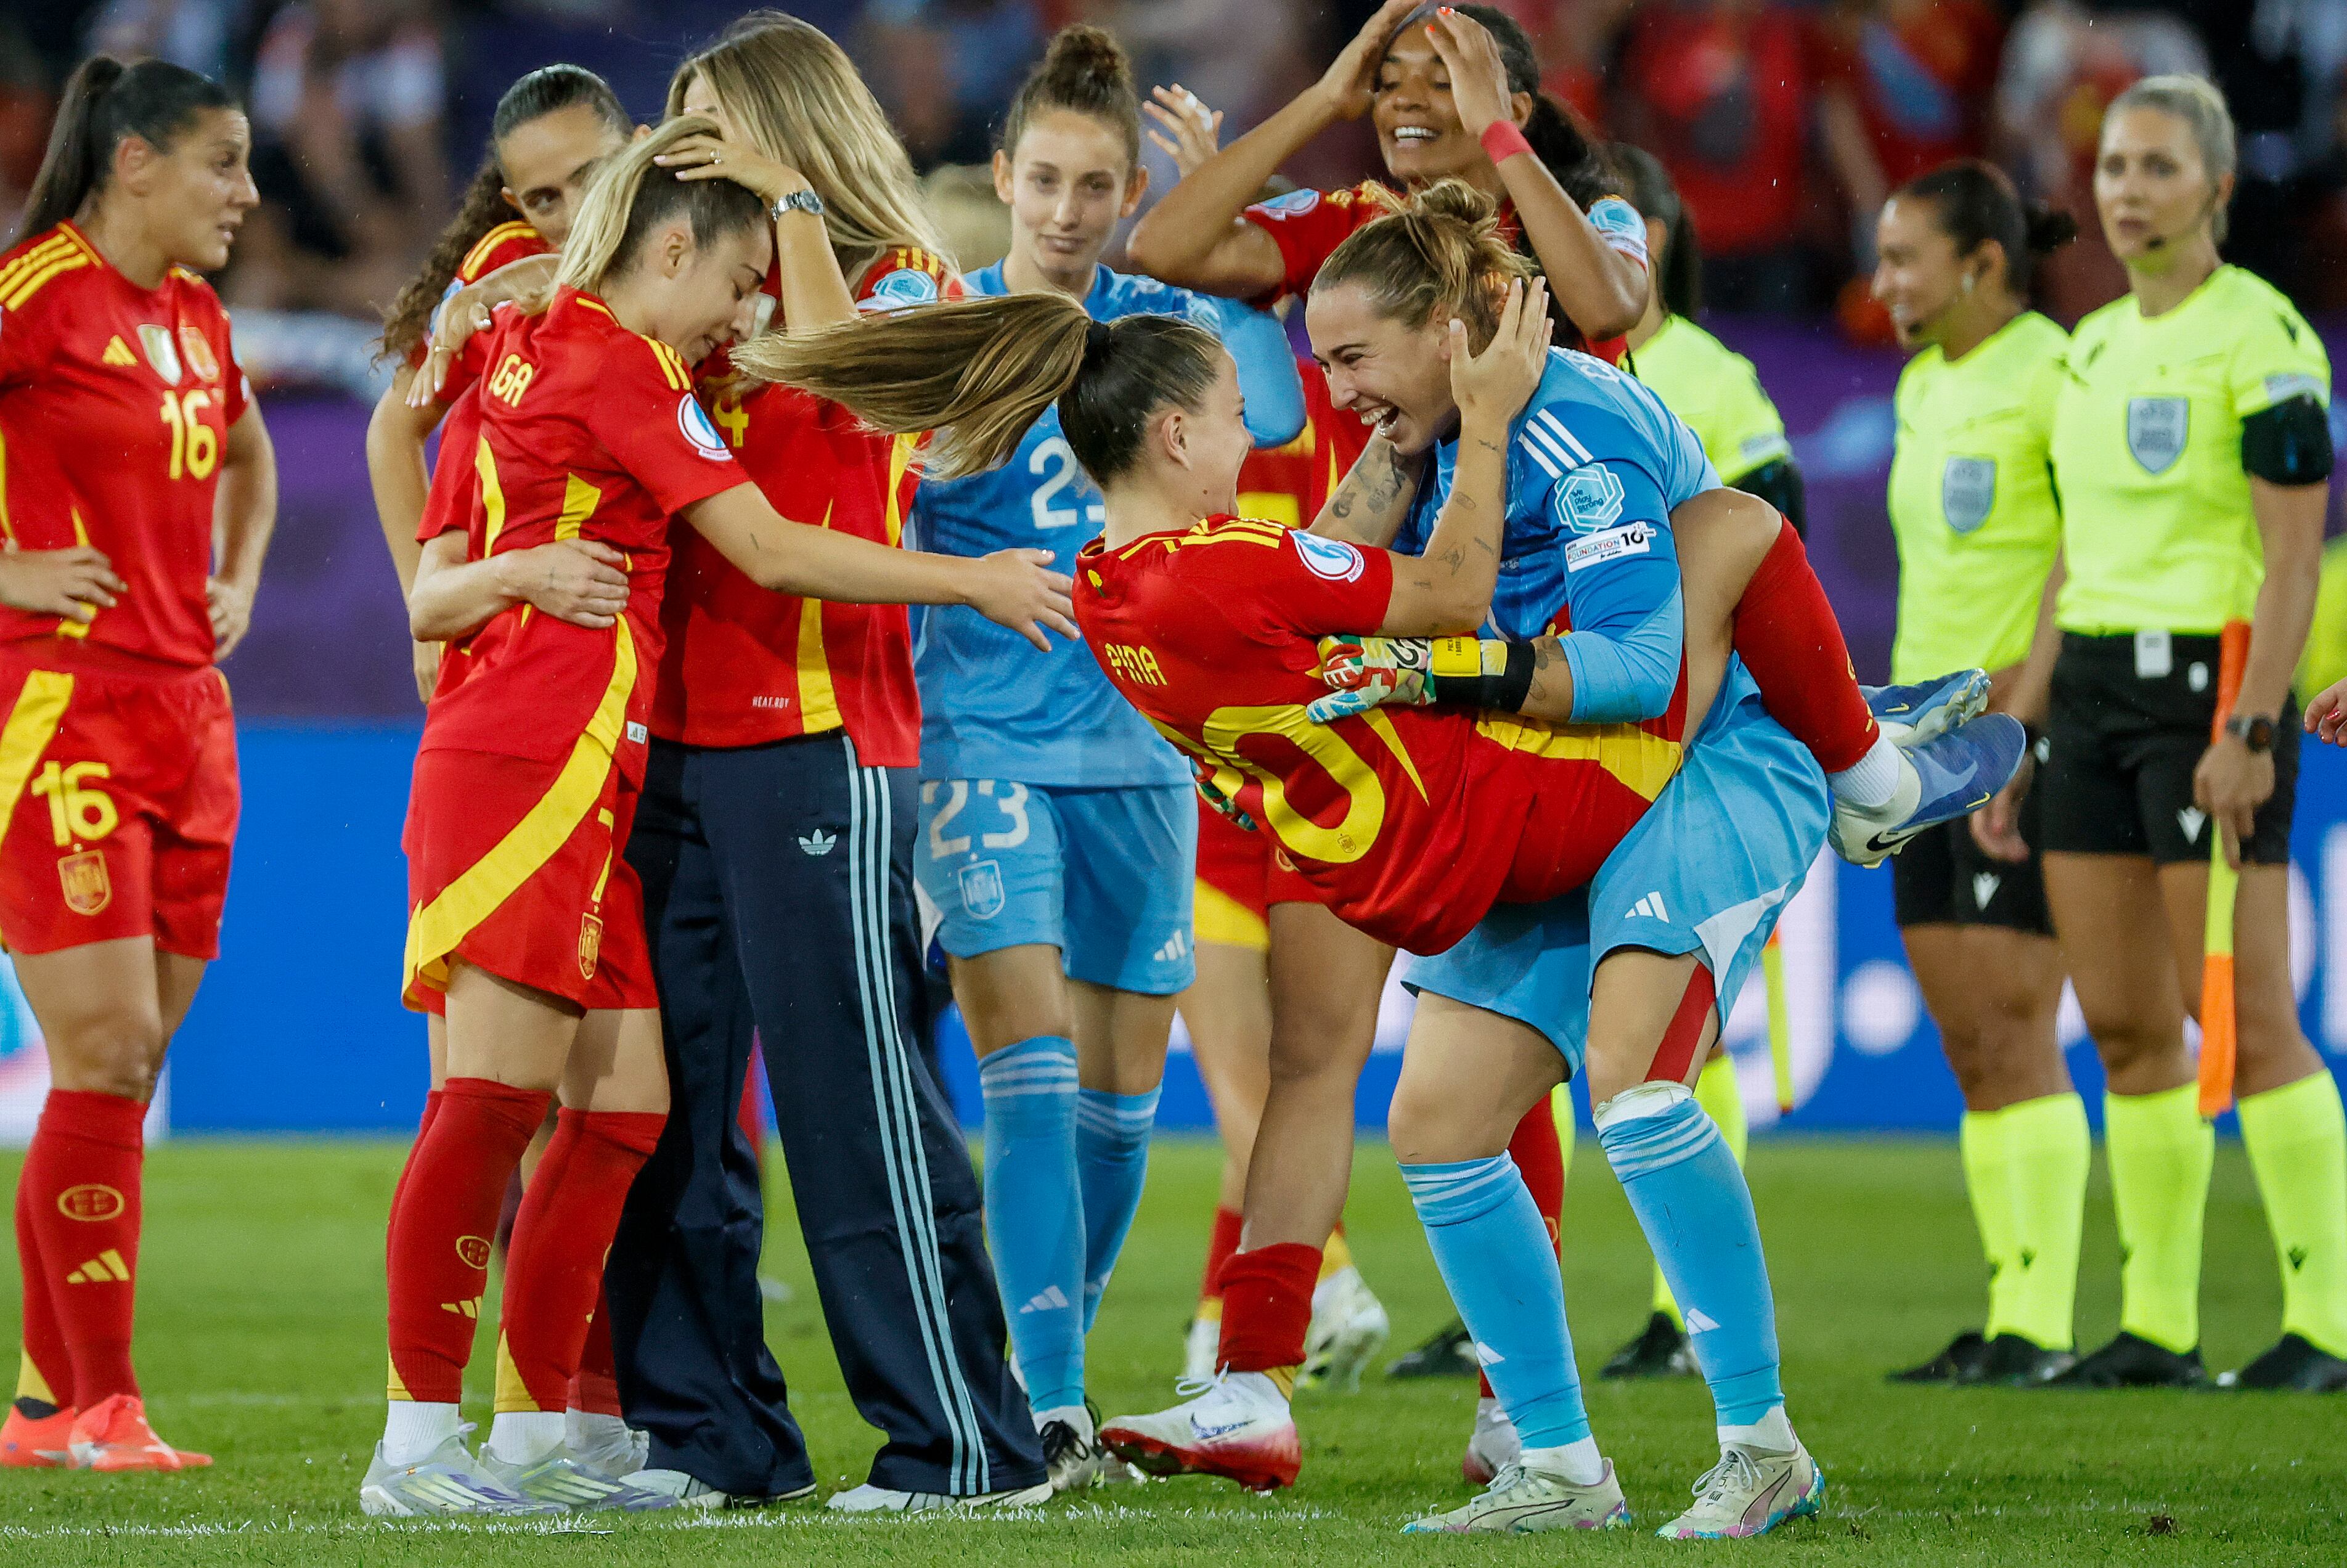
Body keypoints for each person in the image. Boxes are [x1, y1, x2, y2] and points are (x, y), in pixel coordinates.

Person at [741, 192, 2018, 1532]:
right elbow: (1475, 600)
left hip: (1586, 793)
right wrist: (1448, 611)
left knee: (1498, 1113)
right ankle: (1872, 774)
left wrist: (1440, 634)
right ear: (1175, 436)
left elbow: (1602, 654)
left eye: (1347, 361)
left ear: (1444, 332)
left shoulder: (1123, 578)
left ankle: (1711, 1447)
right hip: (1517, 800)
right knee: (1736, 537)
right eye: (1267, 397)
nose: (1311, 405)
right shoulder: (1238, 555)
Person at [362, 118, 1073, 1517]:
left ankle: (532, 1437)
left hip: (590, 763)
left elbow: (434, 578)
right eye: (739, 281)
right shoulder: (619, 364)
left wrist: (494, 580)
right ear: (672, 248)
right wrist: (973, 581)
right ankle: (415, 1443)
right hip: (528, 760)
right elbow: (764, 544)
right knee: (493, 1101)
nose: (745, 316)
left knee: (623, 1109)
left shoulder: (529, 339)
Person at [597, 14, 1055, 1514]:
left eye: (719, 124)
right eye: (680, 124)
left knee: (855, 1111)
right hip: (668, 748)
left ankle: (961, 1445)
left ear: (795, 135)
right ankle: (712, 1437)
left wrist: (789, 207)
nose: (690, 149)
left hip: (822, 751)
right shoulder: (690, 312)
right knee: (665, 1117)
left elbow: (854, 408)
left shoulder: (906, 289)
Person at [892, 26, 1304, 1488]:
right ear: (1002, 177)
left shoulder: (1166, 326)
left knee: (1124, 1106)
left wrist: (1227, 247)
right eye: (1045, 182)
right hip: (979, 744)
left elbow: (1286, 415)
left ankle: (1028, 1364)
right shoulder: (934, 322)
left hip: (1141, 752)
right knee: (1032, 1060)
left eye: (1098, 188)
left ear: (1134, 189)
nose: (1067, 213)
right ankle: (1050, 1405)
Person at [1988, 76, 2346, 1393]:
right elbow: (2070, 558)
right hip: (2087, 694)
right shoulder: (2085, 348)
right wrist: (2016, 731)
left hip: (2211, 693)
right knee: (2129, 1026)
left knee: (2253, 1026)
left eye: (2155, 167)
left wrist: (2249, 727)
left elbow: (2294, 560)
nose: (2126, 189)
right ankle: (2158, 1323)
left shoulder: (2263, 342)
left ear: (2215, 186)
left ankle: (2323, 1329)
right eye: (2114, 169)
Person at [0, 55, 273, 1475]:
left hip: (187, 711)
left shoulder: (196, 315)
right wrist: (10, 566)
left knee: (130, 1058)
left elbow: (249, 455)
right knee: (103, 1050)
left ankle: (45, 1405)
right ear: (135, 165)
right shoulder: (35, 292)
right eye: (223, 163)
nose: (244, 193)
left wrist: (238, 575)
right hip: (59, 707)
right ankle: (105, 1406)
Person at [1871, 159, 2088, 1388]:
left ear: (1981, 263)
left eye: (1903, 259)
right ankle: (2009, 1306)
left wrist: (2018, 723)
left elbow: (2075, 552)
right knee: (1966, 1036)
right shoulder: (1915, 387)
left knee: (2014, 1021)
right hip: (1918, 739)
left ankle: (2041, 1322)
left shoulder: (2053, 371)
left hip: (2009, 732)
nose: (1882, 282)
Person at [1126, 2, 1647, 357]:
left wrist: (1496, 130)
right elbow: (1160, 249)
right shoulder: (1351, 226)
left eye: (1443, 82)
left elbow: (1607, 311)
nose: (1404, 99)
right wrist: (1325, 99)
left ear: (1515, 108)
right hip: (1383, 523)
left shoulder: (1594, 212)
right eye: (1388, 81)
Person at [368, 66, 634, 704]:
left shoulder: (702, 243)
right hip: (545, 634)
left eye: (593, 178)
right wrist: (426, 615)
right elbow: (392, 431)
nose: (575, 215)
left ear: (638, 151)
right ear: (516, 204)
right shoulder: (504, 267)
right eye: (546, 199)